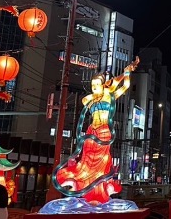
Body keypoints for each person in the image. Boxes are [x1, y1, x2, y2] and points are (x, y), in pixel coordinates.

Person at [53, 56, 140, 203]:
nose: (94, 87)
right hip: (91, 131)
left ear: (103, 85)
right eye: (92, 85)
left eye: (97, 84)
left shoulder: (109, 97)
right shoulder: (89, 99)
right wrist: (108, 85)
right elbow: (90, 97)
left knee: (101, 161)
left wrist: (126, 73)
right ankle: (84, 186)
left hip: (104, 131)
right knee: (86, 160)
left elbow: (124, 87)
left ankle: (100, 189)